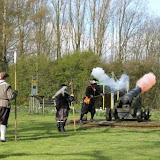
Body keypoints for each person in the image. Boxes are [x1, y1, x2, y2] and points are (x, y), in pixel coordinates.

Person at [0, 72, 18, 142]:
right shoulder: (7, 86)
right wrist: (15, 93)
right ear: (5, 78)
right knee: (3, 121)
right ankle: (2, 137)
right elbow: (10, 97)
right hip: (4, 104)